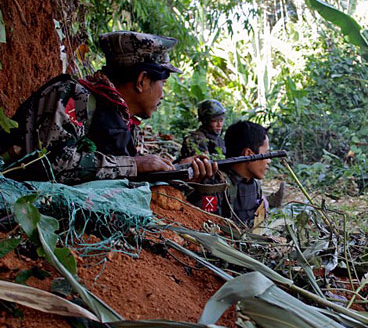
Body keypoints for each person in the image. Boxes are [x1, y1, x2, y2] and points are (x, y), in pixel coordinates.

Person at [0, 31, 215, 184]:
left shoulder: (121, 119)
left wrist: (177, 170)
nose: (163, 94)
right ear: (142, 80)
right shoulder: (74, 95)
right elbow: (51, 164)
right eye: (163, 84)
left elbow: (116, 172)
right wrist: (134, 164)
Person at [191, 121, 271, 226]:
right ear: (248, 154)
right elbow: (206, 227)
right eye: (265, 154)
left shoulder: (254, 185)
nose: (269, 160)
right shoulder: (215, 186)